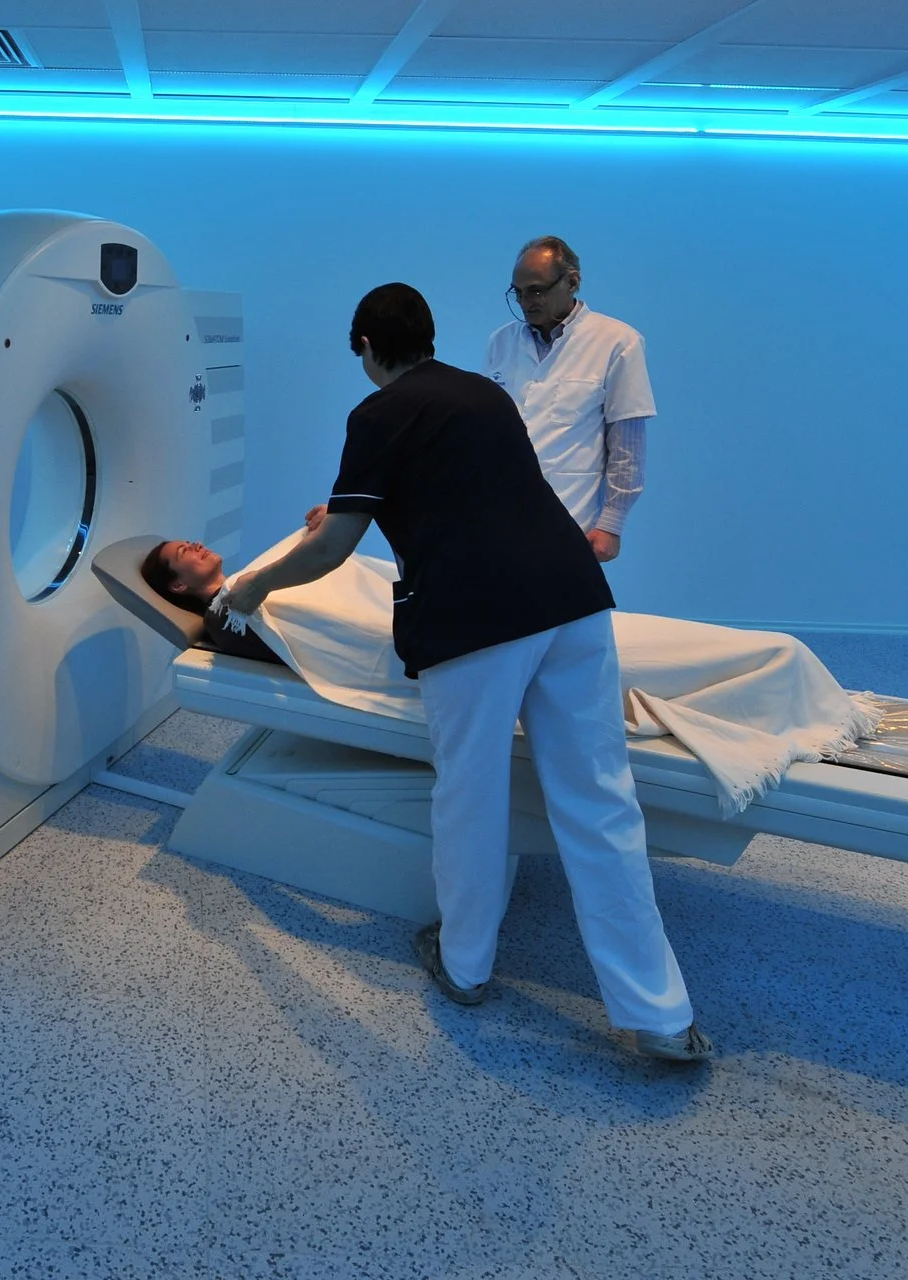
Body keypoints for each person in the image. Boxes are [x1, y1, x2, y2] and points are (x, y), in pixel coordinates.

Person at [221, 283, 711, 1064]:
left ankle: (466, 965)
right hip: (571, 598)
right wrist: (352, 506)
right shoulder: (483, 391)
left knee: (470, 797)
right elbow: (458, 488)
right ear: (429, 337)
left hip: (475, 618)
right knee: (601, 802)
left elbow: (334, 550)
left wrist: (252, 586)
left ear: (365, 349)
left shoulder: (374, 413)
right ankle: (660, 1015)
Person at [486, 236, 653, 563]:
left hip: (573, 519)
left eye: (536, 290)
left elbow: (627, 444)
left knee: (565, 611)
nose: (525, 302)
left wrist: (612, 524)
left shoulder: (618, 342)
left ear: (572, 282)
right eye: (517, 293)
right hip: (499, 517)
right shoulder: (501, 342)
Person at [140, 539, 284, 665]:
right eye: (184, 551)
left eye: (189, 543)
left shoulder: (243, 585)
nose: (198, 545)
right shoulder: (220, 619)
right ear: (178, 585)